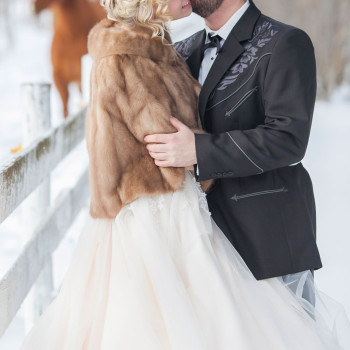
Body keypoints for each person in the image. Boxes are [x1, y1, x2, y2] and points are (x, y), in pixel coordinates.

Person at [20, 0, 349, 349]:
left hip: (267, 242)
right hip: (198, 248)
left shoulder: (283, 43)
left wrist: (199, 152)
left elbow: (288, 139)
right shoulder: (178, 51)